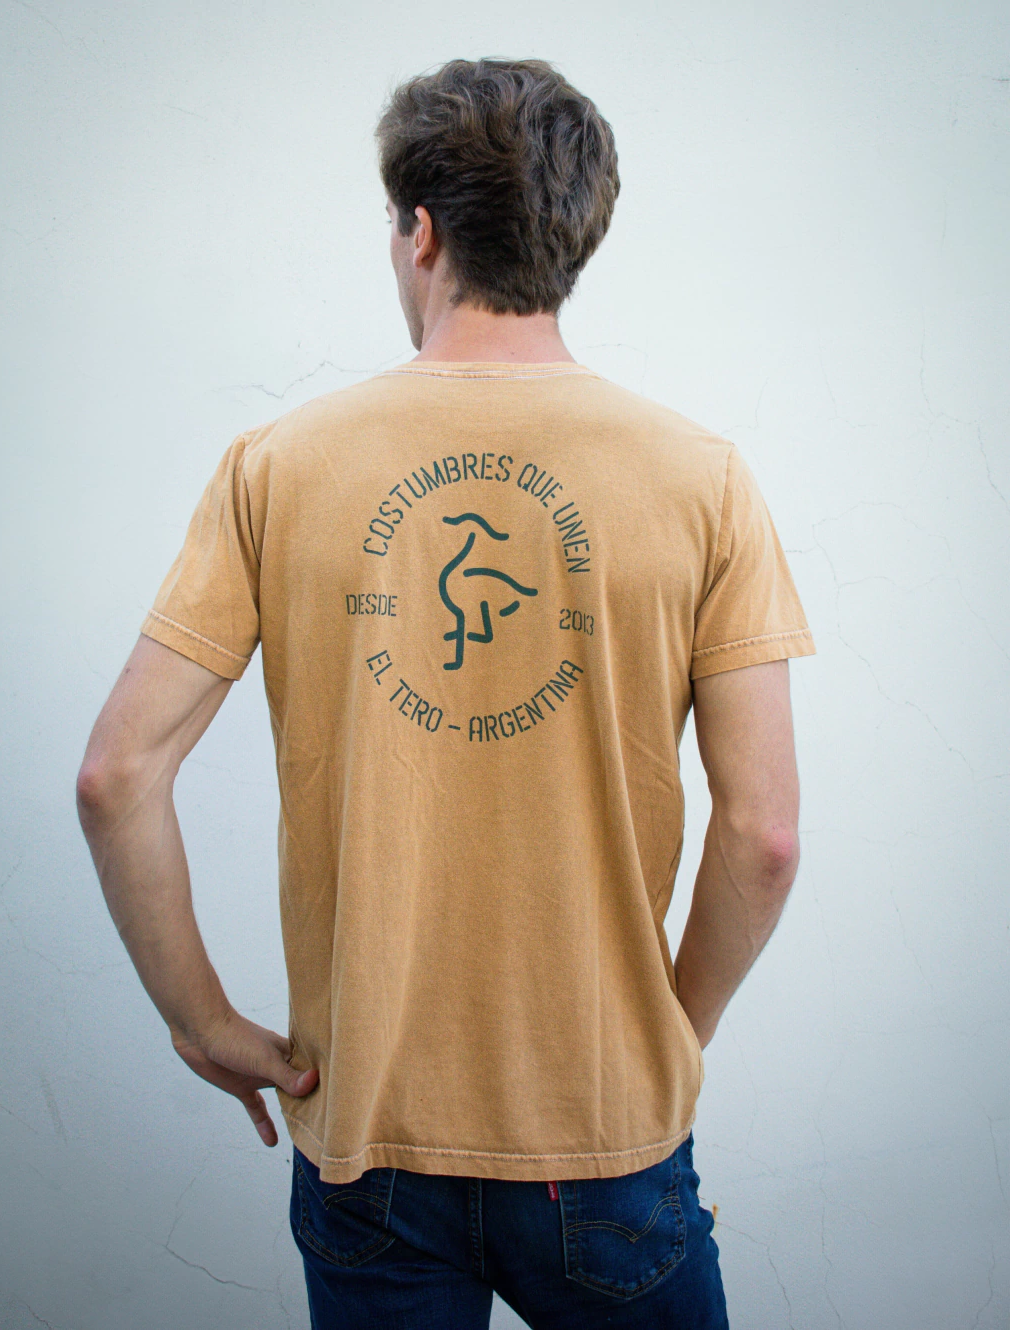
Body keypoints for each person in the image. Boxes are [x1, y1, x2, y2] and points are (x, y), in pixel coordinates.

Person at [76, 56, 815, 1330]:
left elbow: (115, 773)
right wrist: (660, 1042)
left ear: (421, 233)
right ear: (573, 236)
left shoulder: (277, 466)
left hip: (368, 1133)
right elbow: (765, 835)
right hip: (603, 1133)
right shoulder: (703, 480)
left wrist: (200, 1020)